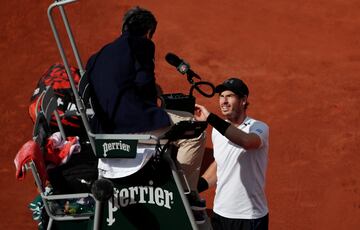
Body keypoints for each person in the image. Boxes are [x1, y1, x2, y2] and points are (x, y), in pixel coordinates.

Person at [85, 6, 206, 213]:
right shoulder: (141, 44)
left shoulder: (96, 56)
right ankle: (186, 195)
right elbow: (144, 85)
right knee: (193, 130)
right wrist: (155, 95)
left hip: (102, 131)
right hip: (132, 126)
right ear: (149, 32)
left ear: (123, 26)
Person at [194, 77, 269, 230]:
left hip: (250, 217)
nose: (224, 101)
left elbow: (247, 142)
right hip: (221, 214)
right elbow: (221, 164)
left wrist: (210, 118)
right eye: (221, 96)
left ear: (243, 100)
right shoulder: (217, 131)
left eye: (229, 96)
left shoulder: (258, 127)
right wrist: (194, 189)